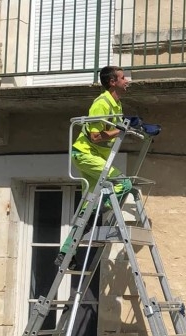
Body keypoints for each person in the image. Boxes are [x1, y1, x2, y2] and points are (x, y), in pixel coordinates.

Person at [56, 66, 133, 266]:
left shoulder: (116, 105)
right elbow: (95, 136)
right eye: (123, 77)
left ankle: (65, 253)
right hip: (85, 154)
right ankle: (97, 212)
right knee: (124, 184)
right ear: (112, 82)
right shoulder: (101, 103)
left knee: (86, 208)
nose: (128, 80)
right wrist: (121, 130)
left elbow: (114, 129)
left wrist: (129, 126)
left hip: (96, 156)